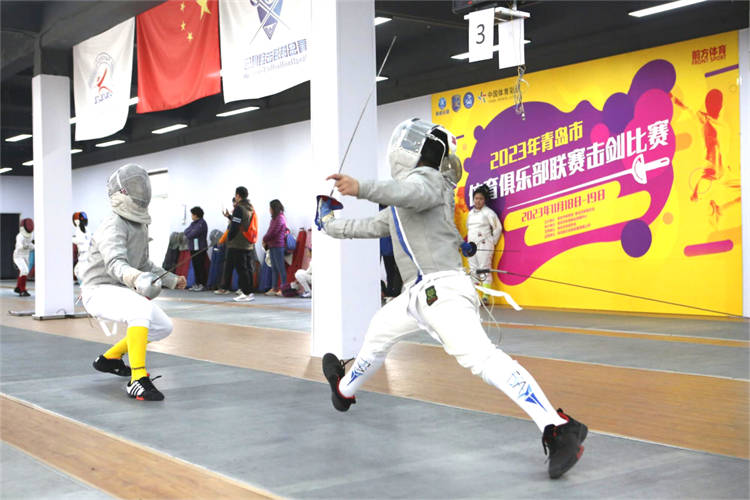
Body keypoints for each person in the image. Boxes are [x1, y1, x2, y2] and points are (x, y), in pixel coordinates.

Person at [316, 118, 587, 479]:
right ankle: (343, 389)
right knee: (377, 335)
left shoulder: (428, 182)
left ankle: (557, 426)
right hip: (415, 297)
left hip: (443, 291)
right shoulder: (401, 206)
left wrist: (360, 187)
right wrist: (328, 223)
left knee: (481, 358)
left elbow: (411, 193)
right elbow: (366, 226)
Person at [75, 164, 186, 401]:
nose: (141, 189)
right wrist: (136, 278)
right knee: (140, 307)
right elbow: (115, 263)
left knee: (163, 327)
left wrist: (172, 279)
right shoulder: (113, 224)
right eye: (135, 185)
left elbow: (144, 264)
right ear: (121, 191)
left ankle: (109, 358)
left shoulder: (140, 224)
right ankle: (137, 379)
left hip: (120, 290)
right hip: (97, 290)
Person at [219, 186, 255, 302]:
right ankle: (249, 292)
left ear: (238, 195)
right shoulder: (250, 207)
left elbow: (235, 226)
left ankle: (245, 293)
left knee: (241, 269)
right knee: (247, 268)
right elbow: (241, 222)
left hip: (238, 243)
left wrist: (229, 238)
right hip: (248, 242)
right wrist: (230, 216)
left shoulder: (239, 208)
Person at [466, 184, 502, 302]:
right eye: (476, 198)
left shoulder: (489, 212)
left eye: (481, 199)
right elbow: (468, 228)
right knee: (473, 270)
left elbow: (497, 228)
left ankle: (486, 296)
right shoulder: (470, 213)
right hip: (471, 246)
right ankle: (475, 296)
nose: (478, 201)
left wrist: (492, 242)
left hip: (484, 245)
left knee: (484, 269)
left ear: (485, 200)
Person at [262, 199, 288, 296]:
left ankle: (284, 289)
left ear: (274, 208)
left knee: (281, 268)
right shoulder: (274, 218)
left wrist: (264, 239)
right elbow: (270, 231)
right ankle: (274, 288)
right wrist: (266, 240)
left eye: (270, 208)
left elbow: (273, 232)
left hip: (278, 246)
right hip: (272, 245)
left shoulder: (280, 218)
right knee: (274, 268)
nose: (269, 210)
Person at [184, 206, 208, 291]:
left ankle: (202, 284)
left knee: (200, 266)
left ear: (196, 215)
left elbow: (192, 234)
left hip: (200, 248)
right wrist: (190, 232)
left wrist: (191, 232)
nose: (191, 216)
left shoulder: (202, 223)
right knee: (195, 266)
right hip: (193, 248)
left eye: (192, 214)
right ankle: (197, 283)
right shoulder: (193, 223)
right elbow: (186, 231)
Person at [13, 218, 34, 297]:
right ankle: (22, 290)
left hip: (26, 255)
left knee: (23, 271)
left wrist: (34, 247)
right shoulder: (20, 236)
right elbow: (19, 246)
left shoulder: (30, 235)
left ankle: (18, 288)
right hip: (18, 256)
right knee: (24, 271)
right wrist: (26, 246)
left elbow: (30, 244)